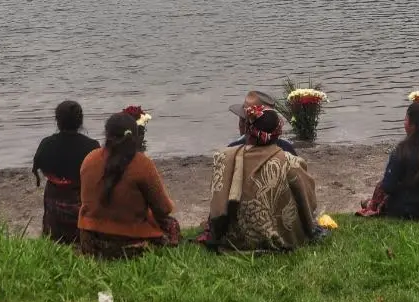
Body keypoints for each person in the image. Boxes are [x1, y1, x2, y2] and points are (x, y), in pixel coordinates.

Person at [204, 104, 319, 252]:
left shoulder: (223, 157)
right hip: (281, 240)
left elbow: (216, 208)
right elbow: (309, 202)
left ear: (248, 131)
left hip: (234, 241)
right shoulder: (291, 162)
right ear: (278, 133)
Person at [77, 112, 180, 259]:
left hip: (91, 240)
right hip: (131, 240)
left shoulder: (89, 159)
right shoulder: (143, 164)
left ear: (106, 134)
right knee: (172, 224)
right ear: (135, 136)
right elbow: (164, 209)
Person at [32, 100, 100, 243]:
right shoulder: (92, 146)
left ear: (57, 121)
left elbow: (38, 170)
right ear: (80, 121)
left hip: (54, 211)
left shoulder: (46, 144)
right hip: (80, 211)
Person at [227, 90, 298, 155]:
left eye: (242, 120)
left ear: (247, 125)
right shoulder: (286, 148)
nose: (240, 125)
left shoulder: (232, 150)